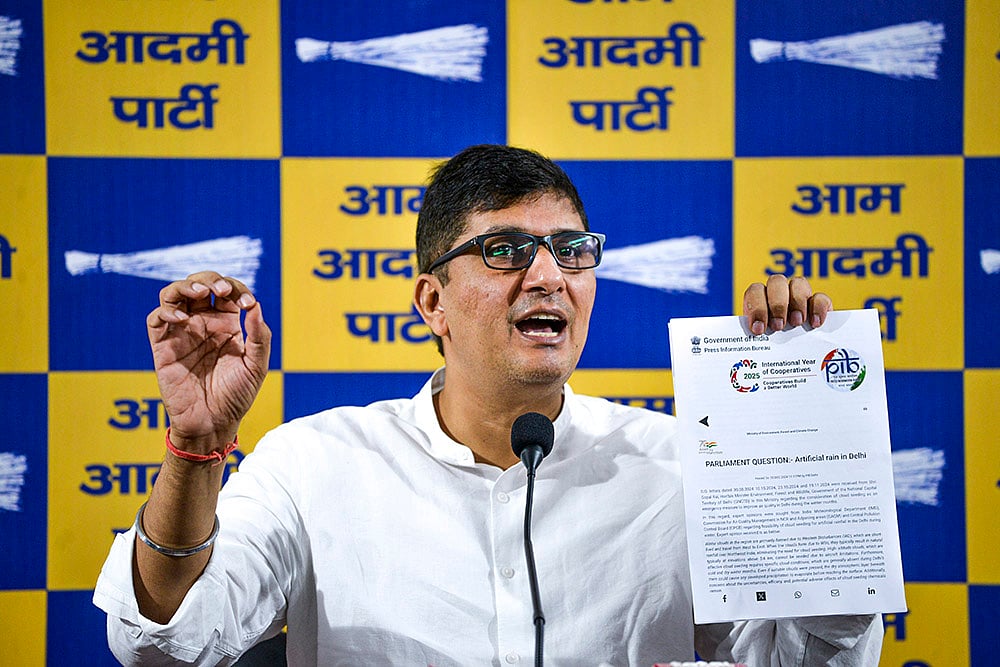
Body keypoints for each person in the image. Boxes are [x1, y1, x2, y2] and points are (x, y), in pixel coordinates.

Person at [94, 144, 883, 665]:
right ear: (432, 301)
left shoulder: (683, 463)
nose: (549, 276)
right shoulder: (315, 462)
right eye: (505, 250)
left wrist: (791, 422)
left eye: (573, 250)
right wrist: (196, 446)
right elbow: (162, 642)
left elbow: (812, 657)